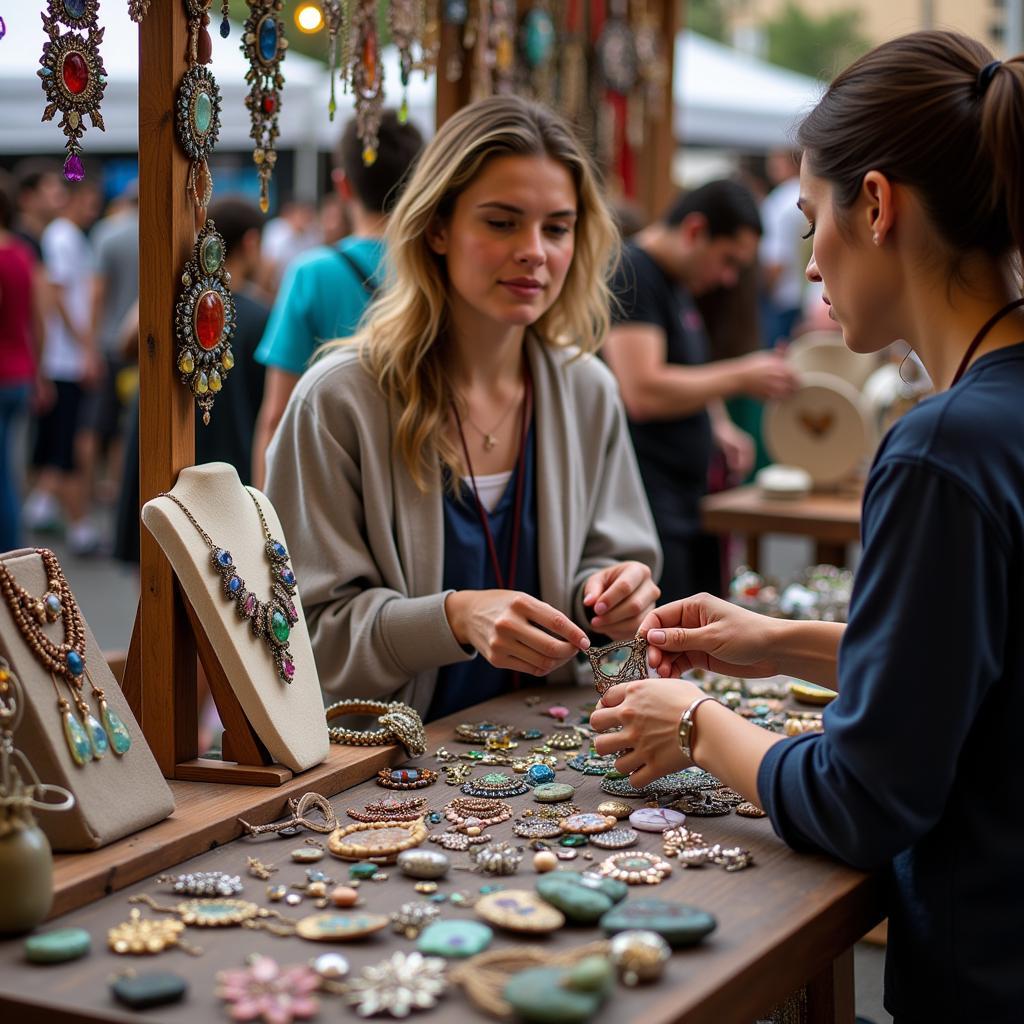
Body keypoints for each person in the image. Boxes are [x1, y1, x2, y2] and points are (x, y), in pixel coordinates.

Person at [590, 31, 1024, 1023]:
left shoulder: (938, 450)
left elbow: (863, 799)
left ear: (874, 205)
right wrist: (777, 641)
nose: (807, 257)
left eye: (807, 217)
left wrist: (694, 723)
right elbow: (980, 665)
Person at [265, 96, 661, 720]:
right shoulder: (338, 400)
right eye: (502, 222)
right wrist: (453, 618)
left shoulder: (588, 390)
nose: (535, 250)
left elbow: (615, 553)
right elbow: (301, 634)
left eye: (557, 227)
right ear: (438, 228)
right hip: (377, 775)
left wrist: (613, 589)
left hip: (547, 751)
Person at [603, 181, 798, 603]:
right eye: (728, 260)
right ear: (695, 230)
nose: (728, 278)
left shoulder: (675, 283)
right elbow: (642, 390)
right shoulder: (632, 273)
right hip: (649, 504)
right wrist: (741, 376)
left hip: (683, 501)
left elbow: (690, 372)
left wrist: (720, 426)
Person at [251, 110, 424, 487]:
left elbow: (275, 416)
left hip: (327, 484)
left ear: (342, 185)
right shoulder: (437, 270)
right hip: (418, 476)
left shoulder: (310, 273)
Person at [24, 179, 103, 553]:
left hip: (65, 358)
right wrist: (84, 346)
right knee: (67, 444)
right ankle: (77, 526)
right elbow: (54, 298)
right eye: (89, 198)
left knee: (58, 441)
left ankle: (42, 505)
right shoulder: (61, 237)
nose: (94, 205)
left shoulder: (69, 236)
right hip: (63, 360)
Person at [195, 195, 269, 480]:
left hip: (173, 475)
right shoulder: (260, 317)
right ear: (250, 243)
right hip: (233, 476)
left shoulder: (182, 308)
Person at [0, 172, 46, 552]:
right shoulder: (22, 253)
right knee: (9, 470)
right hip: (20, 374)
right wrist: (40, 373)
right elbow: (38, 319)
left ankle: (8, 551)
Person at [759, 149, 806, 347]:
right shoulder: (808, 195)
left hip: (782, 297)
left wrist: (765, 292)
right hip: (805, 297)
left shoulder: (780, 201)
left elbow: (776, 260)